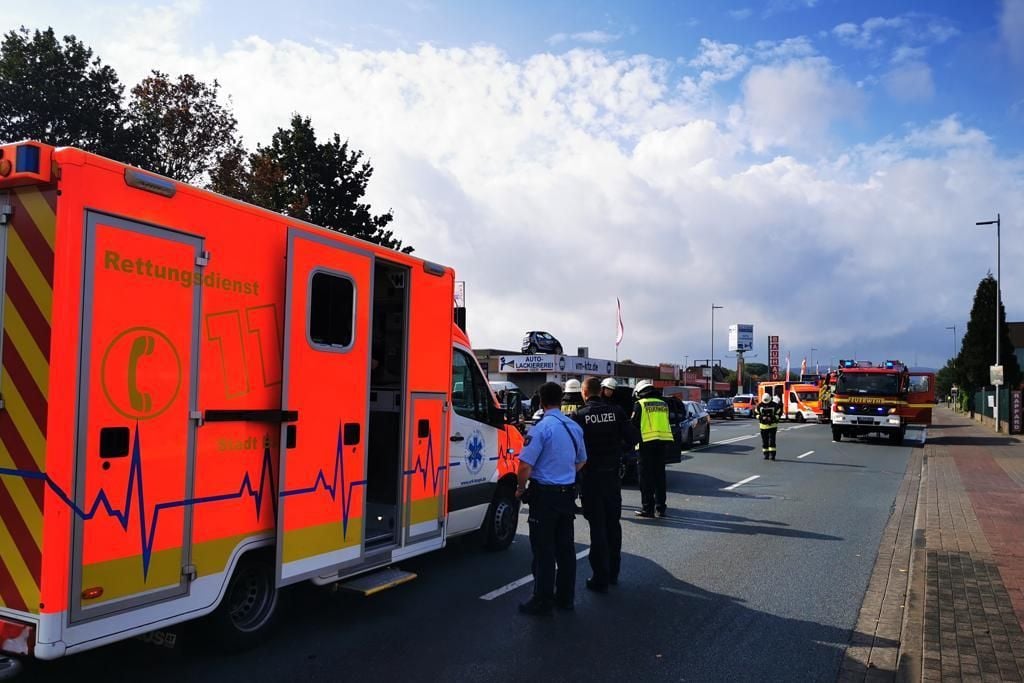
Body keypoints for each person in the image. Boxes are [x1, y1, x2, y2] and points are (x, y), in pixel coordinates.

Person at [516, 382, 588, 616]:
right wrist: (565, 473)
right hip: (567, 495)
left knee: (543, 550)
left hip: (544, 497)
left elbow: (525, 465)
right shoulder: (573, 427)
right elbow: (581, 460)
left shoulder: (541, 428)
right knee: (565, 549)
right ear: (560, 399)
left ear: (541, 402)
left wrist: (520, 489)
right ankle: (566, 598)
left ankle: (542, 599)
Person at [572, 377, 638, 592]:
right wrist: (618, 451)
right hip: (611, 477)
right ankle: (613, 573)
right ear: (600, 391)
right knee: (613, 525)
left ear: (584, 393)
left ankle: (600, 577)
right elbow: (632, 439)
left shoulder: (579, 416)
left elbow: (573, 450)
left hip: (591, 479)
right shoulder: (617, 412)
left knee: (597, 528)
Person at [630, 380, 673, 518]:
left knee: (645, 478)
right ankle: (661, 508)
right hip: (662, 443)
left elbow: (633, 426)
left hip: (645, 444)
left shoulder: (640, 404)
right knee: (660, 477)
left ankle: (647, 508)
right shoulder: (663, 403)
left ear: (639, 392)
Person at [756, 393, 781, 459]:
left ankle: (772, 455)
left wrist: (772, 418)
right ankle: (766, 454)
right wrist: (761, 417)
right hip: (763, 426)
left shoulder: (775, 405)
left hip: (772, 426)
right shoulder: (760, 405)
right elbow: (755, 414)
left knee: (772, 441)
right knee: (765, 441)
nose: (766, 402)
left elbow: (779, 414)